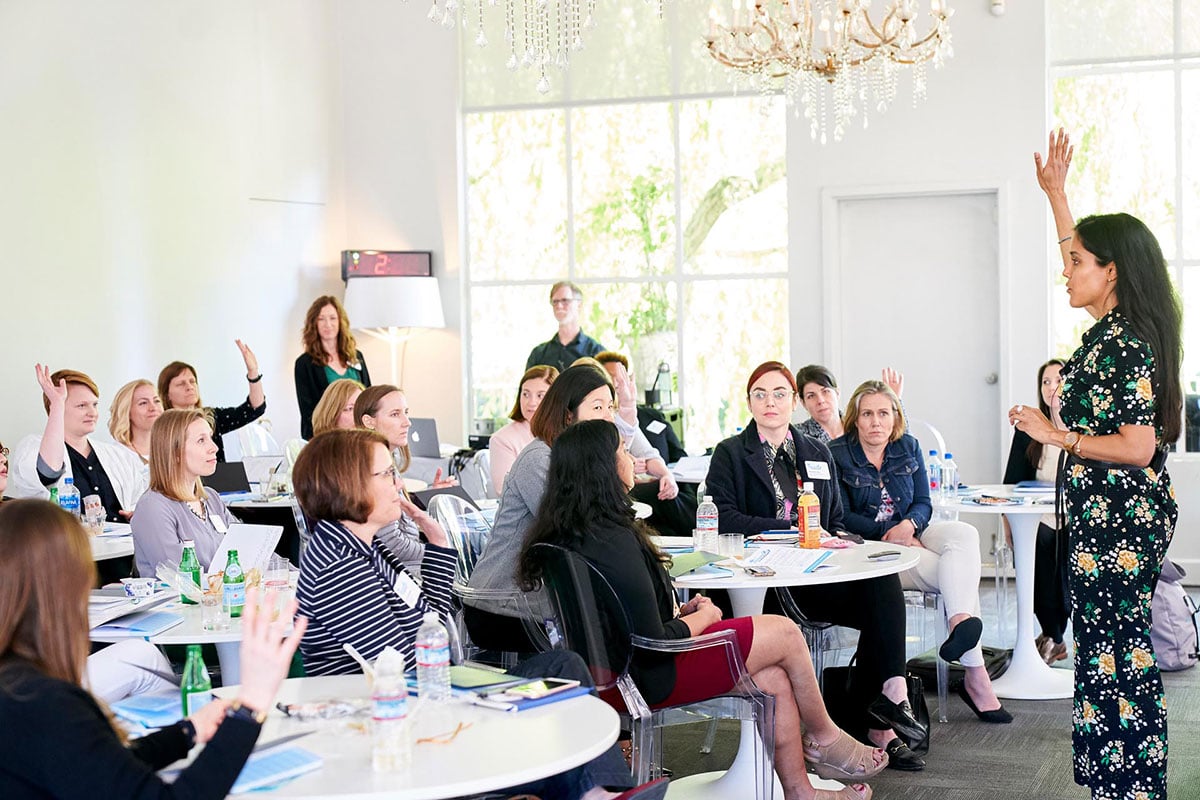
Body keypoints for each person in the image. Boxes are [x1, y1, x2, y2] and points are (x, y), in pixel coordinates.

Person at [519, 420, 886, 800]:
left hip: (614, 672)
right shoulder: (615, 539)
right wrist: (703, 618)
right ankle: (825, 738)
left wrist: (679, 612)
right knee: (787, 633)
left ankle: (801, 792)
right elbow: (654, 640)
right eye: (623, 453)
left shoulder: (571, 532)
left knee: (775, 678)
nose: (632, 460)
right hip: (652, 674)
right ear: (603, 468)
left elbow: (625, 617)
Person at [292, 428, 666, 800]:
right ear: (349, 483)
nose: (398, 483)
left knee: (563, 668)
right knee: (557, 699)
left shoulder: (364, 549)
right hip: (398, 720)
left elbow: (433, 629)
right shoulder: (338, 563)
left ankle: (597, 792)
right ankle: (597, 793)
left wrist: (438, 547)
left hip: (431, 692)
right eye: (387, 474)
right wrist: (474, 689)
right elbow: (403, 666)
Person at [1010, 128, 1183, 800]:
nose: (1066, 267)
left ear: (1110, 271)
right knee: (1105, 652)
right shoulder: (1111, 331)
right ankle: (1119, 779)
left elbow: (1139, 449)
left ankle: (1134, 784)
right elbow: (1078, 247)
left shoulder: (1126, 343)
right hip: (1104, 522)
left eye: (1078, 260)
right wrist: (1057, 196)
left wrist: (1059, 436)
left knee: (1119, 656)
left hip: (1120, 524)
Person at [0, 498, 306, 799]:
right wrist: (250, 707)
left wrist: (186, 733)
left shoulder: (19, 689)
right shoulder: (45, 704)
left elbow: (101, 766)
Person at [705, 361, 925, 770]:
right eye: (760, 394)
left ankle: (890, 698)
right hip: (764, 584)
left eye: (779, 394)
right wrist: (789, 526)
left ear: (793, 402)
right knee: (880, 601)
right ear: (749, 402)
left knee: (882, 584)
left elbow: (835, 519)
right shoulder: (732, 454)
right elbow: (723, 518)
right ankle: (872, 721)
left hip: (815, 576)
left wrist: (838, 539)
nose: (770, 402)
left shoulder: (815, 452)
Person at [829, 380, 1011, 724]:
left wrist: (910, 526)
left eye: (883, 413)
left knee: (963, 534)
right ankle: (977, 677)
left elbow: (923, 503)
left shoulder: (907, 446)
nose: (875, 421)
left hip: (912, 533)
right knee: (956, 573)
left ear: (895, 416)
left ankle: (959, 620)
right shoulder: (837, 454)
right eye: (867, 414)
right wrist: (888, 533)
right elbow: (838, 515)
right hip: (871, 550)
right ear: (855, 418)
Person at [0, 446, 172, 704]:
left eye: (2, 451)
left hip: (41, 660)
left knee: (139, 652)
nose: (3, 458)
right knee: (143, 659)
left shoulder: (20, 512)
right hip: (25, 684)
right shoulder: (21, 521)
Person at [466, 364, 617, 652]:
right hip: (502, 605)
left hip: (539, 602)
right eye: (598, 407)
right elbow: (573, 531)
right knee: (609, 637)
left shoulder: (576, 460)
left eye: (611, 406)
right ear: (568, 414)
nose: (609, 417)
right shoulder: (540, 458)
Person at [10, 366, 147, 522]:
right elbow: (48, 473)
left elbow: (138, 502)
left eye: (94, 405)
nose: (92, 413)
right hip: (68, 543)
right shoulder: (34, 447)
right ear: (55, 407)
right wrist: (57, 403)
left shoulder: (117, 455)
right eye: (82, 406)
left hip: (123, 544)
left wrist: (138, 516)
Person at [1002, 358, 1071, 665]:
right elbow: (1011, 483)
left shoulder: (1084, 429)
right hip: (1037, 517)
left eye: (1058, 379)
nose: (1051, 387)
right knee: (1037, 542)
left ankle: (1053, 636)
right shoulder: (1028, 428)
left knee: (1055, 553)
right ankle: (1053, 636)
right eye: (1045, 381)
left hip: (1073, 519)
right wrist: (1008, 525)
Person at [591, 352, 692, 537]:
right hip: (617, 496)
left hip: (640, 488)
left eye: (619, 378)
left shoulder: (626, 419)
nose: (616, 384)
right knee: (660, 495)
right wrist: (627, 466)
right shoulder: (584, 435)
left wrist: (666, 475)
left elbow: (649, 453)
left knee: (672, 492)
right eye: (610, 378)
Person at [129, 409, 236, 578]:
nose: (214, 448)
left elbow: (246, 547)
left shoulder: (211, 498)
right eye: (201, 440)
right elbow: (180, 576)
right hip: (181, 603)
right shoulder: (153, 507)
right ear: (174, 451)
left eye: (210, 437)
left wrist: (288, 573)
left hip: (223, 599)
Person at [158, 339, 266, 462]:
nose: (189, 387)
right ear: (167, 394)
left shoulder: (210, 416)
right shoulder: (163, 427)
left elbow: (255, 409)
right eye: (181, 384)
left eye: (192, 381)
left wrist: (253, 372)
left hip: (217, 480)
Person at [294, 295, 372, 440]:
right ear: (314, 324)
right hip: (327, 439)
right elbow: (308, 412)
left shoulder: (356, 357)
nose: (327, 324)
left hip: (360, 436)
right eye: (321, 319)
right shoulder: (304, 364)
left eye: (332, 318)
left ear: (340, 321)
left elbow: (369, 396)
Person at [489, 365, 558, 494]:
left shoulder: (566, 431)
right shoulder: (502, 439)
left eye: (540, 396)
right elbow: (504, 490)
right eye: (526, 394)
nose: (531, 402)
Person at [795, 364, 905, 444]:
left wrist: (895, 402)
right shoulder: (797, 436)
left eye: (826, 392)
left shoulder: (859, 423)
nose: (820, 400)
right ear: (803, 402)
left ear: (837, 393)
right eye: (811, 396)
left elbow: (901, 443)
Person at [525, 281, 606, 372]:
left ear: (579, 305)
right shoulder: (538, 354)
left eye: (565, 301)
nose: (559, 306)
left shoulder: (596, 352)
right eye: (555, 301)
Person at [107, 379, 163, 465]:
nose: (153, 408)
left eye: (156, 401)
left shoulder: (172, 450)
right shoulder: (115, 456)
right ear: (127, 412)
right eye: (143, 403)